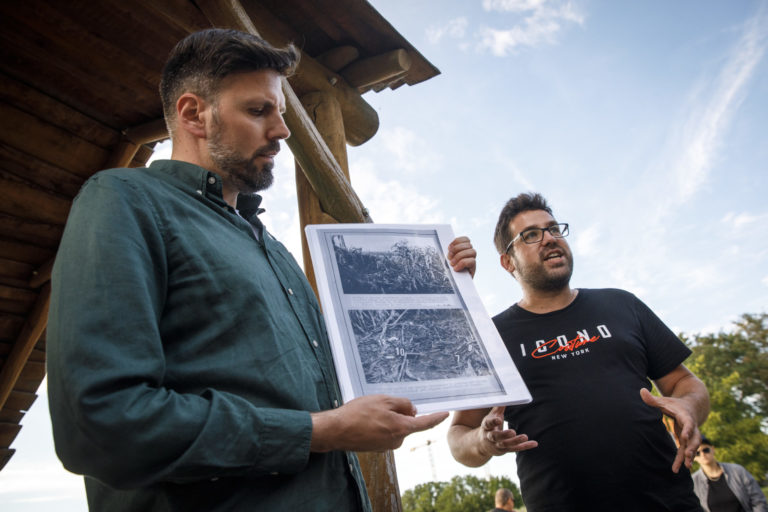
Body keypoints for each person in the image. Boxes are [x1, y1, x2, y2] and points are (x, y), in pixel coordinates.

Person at [47, 28, 461, 511]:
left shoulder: (275, 250)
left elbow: (360, 371)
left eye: (280, 112)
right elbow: (100, 423)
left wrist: (440, 285)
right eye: (259, 110)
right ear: (193, 114)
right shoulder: (124, 200)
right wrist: (319, 431)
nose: (282, 130)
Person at [446, 192, 711, 511]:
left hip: (670, 503)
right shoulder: (491, 337)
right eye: (531, 235)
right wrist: (482, 441)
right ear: (508, 262)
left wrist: (689, 408)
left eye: (554, 229)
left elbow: (686, 384)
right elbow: (459, 436)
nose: (549, 239)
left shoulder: (622, 304)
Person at [692, 435, 768, 511]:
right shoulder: (694, 482)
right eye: (697, 453)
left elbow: (758, 500)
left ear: (713, 449)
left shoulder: (737, 471)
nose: (702, 454)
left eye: (706, 450)